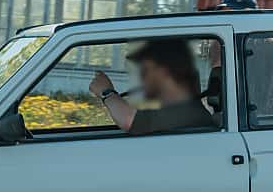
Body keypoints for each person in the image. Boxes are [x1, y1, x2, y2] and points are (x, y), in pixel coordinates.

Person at [88, 38, 218, 135]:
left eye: (146, 70)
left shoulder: (183, 110)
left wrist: (107, 92)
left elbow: (129, 120)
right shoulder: (181, 106)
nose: (142, 78)